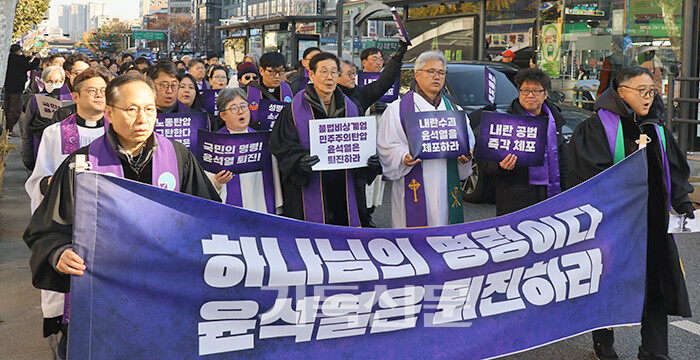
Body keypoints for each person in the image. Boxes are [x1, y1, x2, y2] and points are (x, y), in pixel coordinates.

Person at [23, 73, 220, 360]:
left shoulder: (178, 158)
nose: (142, 119)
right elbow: (45, 230)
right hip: (103, 297)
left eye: (149, 109)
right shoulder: (81, 164)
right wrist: (58, 252)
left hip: (166, 295)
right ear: (110, 114)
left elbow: (208, 216)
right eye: (131, 109)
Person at [568, 66, 694, 360]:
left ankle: (654, 350)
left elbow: (672, 171)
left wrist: (683, 201)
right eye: (642, 91)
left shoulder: (657, 129)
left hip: (652, 223)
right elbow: (587, 176)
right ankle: (603, 339)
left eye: (651, 91)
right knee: (608, 283)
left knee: (656, 284)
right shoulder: (597, 127)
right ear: (621, 91)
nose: (648, 97)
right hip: (614, 224)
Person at [271, 52, 381, 226]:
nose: (329, 77)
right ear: (311, 74)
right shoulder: (293, 110)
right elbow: (282, 146)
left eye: (334, 72)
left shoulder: (351, 109)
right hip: (308, 186)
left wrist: (370, 162)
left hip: (344, 187)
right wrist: (300, 160)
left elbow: (359, 148)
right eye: (323, 72)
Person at [377, 51, 474, 228]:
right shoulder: (397, 109)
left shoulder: (454, 110)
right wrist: (402, 157)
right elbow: (386, 146)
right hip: (412, 183)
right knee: (412, 239)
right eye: (431, 71)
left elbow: (467, 143)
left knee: (444, 235)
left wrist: (466, 157)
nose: (437, 77)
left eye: (441, 73)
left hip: (446, 183)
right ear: (417, 74)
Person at [337, 41, 408, 227]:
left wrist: (397, 57)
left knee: (361, 211)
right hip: (333, 167)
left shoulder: (360, 94)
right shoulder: (323, 98)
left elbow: (383, 83)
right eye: (350, 74)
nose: (354, 77)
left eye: (354, 73)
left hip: (358, 164)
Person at [480, 67, 567, 216]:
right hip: (515, 199)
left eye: (536, 91)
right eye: (525, 90)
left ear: (545, 94)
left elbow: (564, 162)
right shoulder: (504, 122)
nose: (530, 95)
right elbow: (485, 162)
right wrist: (500, 166)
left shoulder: (555, 121)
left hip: (550, 196)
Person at [206, 87, 282, 213]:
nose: (241, 112)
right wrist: (217, 182)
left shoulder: (263, 141)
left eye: (244, 106)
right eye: (234, 108)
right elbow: (208, 185)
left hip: (261, 207)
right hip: (230, 214)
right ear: (223, 115)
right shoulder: (214, 143)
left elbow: (274, 180)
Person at [20, 66, 67, 171]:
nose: (54, 84)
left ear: (63, 81)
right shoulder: (35, 100)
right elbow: (27, 129)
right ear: (44, 81)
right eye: (50, 81)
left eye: (58, 81)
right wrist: (27, 155)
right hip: (41, 149)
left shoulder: (70, 100)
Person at [243, 52, 294, 129]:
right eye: (272, 72)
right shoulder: (246, 91)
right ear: (261, 71)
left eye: (281, 72)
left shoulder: (289, 89)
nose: (277, 76)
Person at [4, 44, 40, 136]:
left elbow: (23, 62)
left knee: (7, 108)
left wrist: (28, 58)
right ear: (18, 52)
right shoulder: (19, 60)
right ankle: (9, 130)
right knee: (15, 110)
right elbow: (31, 66)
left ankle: (6, 129)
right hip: (17, 88)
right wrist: (37, 58)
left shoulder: (7, 58)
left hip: (7, 87)